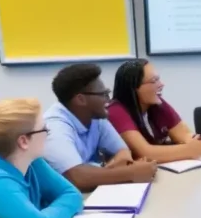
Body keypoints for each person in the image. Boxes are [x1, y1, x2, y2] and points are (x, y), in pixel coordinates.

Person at [44, 63, 158, 192]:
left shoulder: (95, 115)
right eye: (103, 94)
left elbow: (123, 152)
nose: (108, 100)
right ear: (81, 99)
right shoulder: (54, 127)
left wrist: (107, 171)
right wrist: (131, 173)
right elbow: (77, 177)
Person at [108, 59, 201, 163]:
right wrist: (188, 149)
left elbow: (185, 135)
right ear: (134, 88)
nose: (161, 84)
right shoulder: (115, 111)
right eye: (154, 81)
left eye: (158, 79)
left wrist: (192, 141)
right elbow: (146, 153)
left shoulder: (156, 103)